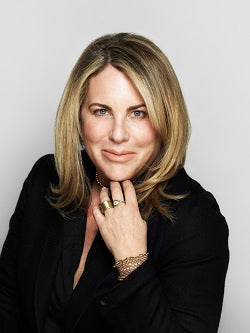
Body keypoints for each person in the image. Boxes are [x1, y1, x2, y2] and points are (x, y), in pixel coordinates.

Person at [0, 32, 229, 333]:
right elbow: (7, 299)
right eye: (101, 111)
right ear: (79, 117)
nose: (118, 135)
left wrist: (132, 261)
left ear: (165, 120)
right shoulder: (47, 177)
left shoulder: (196, 219)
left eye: (138, 113)